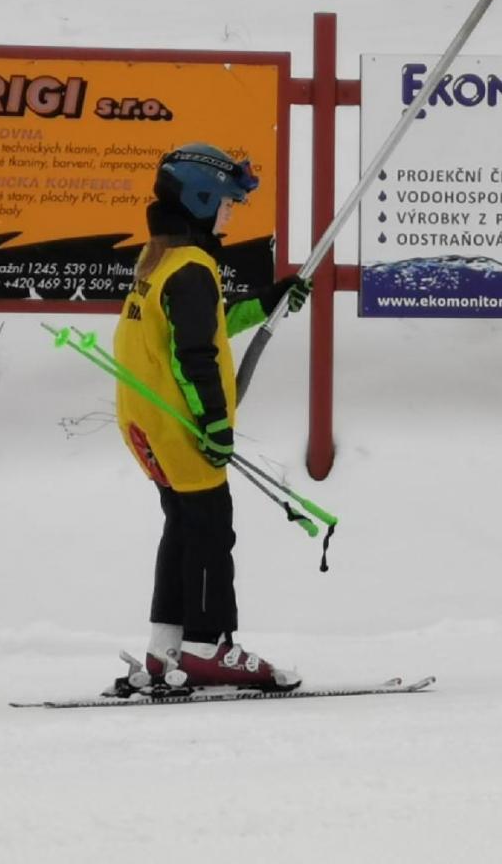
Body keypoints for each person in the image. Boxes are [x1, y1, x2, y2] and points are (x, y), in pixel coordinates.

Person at [112, 143, 312, 692]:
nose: (231, 213)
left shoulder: (161, 259)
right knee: (210, 530)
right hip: (180, 425)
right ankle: (208, 646)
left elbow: (206, 325)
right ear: (200, 200)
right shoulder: (192, 267)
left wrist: (267, 301)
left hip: (145, 419)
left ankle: (165, 650)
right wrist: (215, 423)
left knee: (183, 526)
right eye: (226, 203)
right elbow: (195, 355)